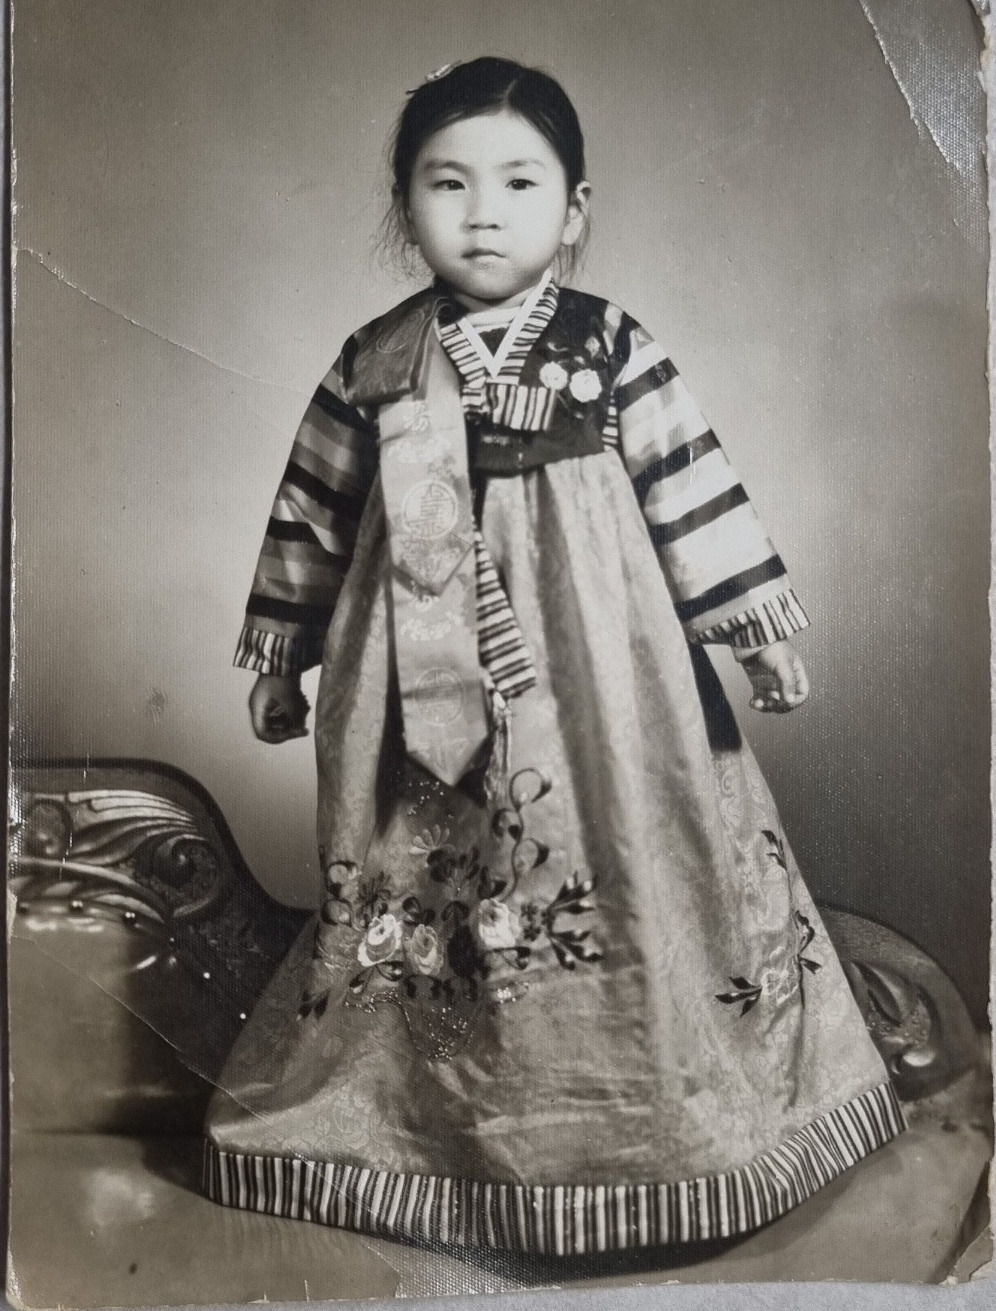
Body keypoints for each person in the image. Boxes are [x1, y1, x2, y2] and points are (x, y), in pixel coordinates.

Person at [202, 56, 905, 1255]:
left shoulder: (609, 348)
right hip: (411, 686)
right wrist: (284, 654)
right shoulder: (374, 364)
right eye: (448, 183)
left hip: (605, 681)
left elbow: (693, 489)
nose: (483, 212)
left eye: (520, 184)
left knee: (626, 857)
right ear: (404, 206)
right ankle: (432, 1135)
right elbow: (310, 517)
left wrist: (755, 629)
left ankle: (658, 1126)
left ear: (574, 212)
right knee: (429, 877)